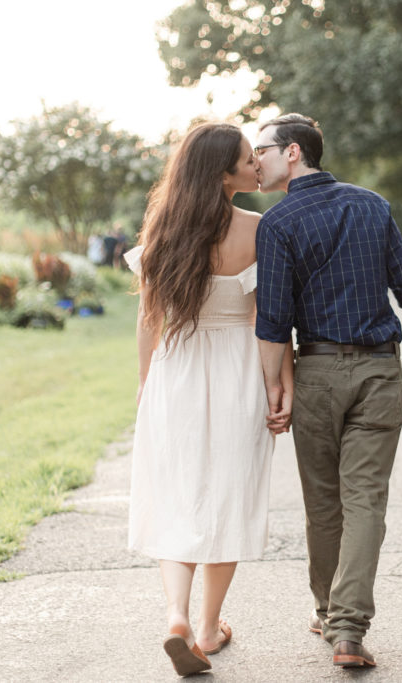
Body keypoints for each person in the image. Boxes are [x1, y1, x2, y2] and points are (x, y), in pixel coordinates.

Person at [252, 113, 402, 669]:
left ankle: (329, 610)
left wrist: (274, 387)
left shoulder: (278, 222)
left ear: (292, 153)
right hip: (380, 372)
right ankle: (348, 631)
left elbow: (273, 321)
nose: (254, 159)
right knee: (366, 501)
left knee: (324, 502)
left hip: (316, 373)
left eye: (261, 149)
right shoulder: (372, 204)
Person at [123, 122, 292, 677]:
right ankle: (208, 628)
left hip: (177, 369)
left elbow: (150, 323)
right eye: (247, 160)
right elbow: (271, 320)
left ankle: (175, 616)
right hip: (238, 366)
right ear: (223, 175)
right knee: (229, 496)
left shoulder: (164, 230)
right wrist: (277, 384)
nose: (256, 167)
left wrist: (148, 386)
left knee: (179, 495)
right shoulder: (257, 229)